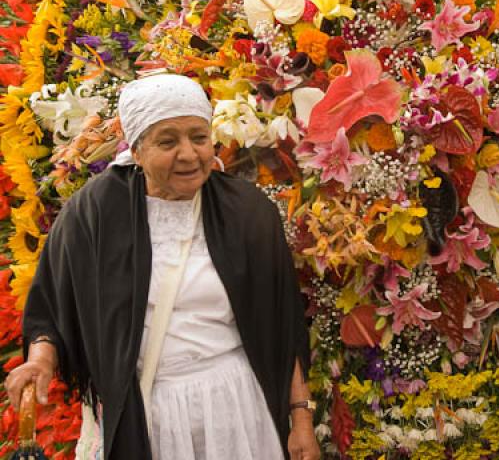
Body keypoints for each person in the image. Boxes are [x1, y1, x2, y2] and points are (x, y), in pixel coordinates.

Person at [5, 74, 320, 460]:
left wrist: (301, 421)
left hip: (238, 408)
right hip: (149, 413)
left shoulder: (247, 211)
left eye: (199, 137)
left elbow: (283, 324)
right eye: (167, 142)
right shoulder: (94, 212)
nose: (188, 154)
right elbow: (52, 307)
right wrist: (40, 361)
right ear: (136, 150)